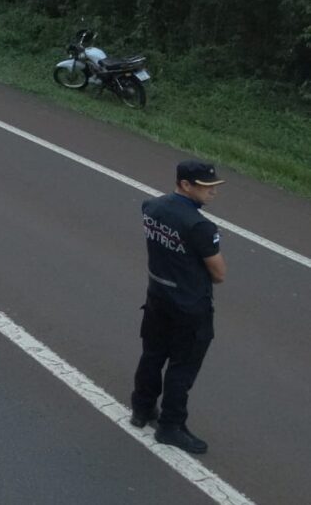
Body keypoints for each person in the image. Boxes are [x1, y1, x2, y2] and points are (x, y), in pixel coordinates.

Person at [130, 160, 226, 454]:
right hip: (189, 306)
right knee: (182, 367)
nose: (213, 192)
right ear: (186, 184)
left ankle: (142, 410)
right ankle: (171, 426)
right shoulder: (200, 226)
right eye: (206, 187)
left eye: (214, 186)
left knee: (152, 355)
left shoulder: (152, 207)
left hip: (158, 296)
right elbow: (219, 274)